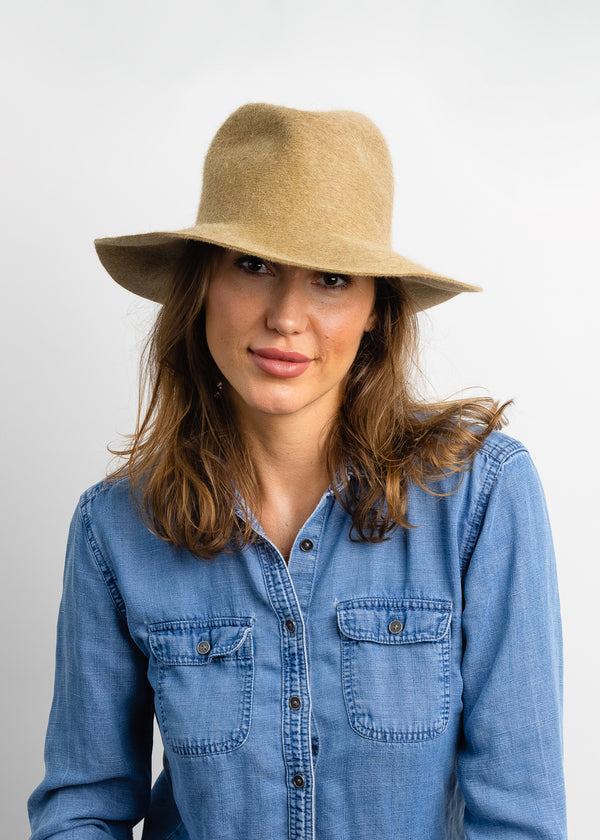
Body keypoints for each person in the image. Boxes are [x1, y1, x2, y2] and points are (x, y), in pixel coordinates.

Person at [28, 103, 567, 840]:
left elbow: (520, 821)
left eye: (332, 278)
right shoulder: (114, 528)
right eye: (253, 266)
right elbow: (82, 809)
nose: (286, 315)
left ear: (378, 307)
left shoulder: (480, 495)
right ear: (202, 286)